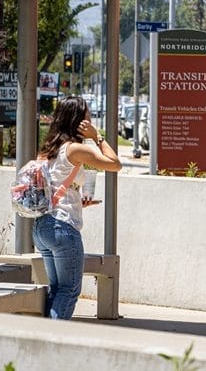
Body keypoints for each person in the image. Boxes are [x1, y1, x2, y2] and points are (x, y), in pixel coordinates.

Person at [32, 96, 122, 319]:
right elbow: (115, 164)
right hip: (63, 228)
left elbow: (52, 188)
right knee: (69, 290)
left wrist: (78, 201)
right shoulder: (75, 149)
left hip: (43, 226)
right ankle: (50, 344)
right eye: (87, 115)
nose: (90, 118)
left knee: (57, 289)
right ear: (79, 119)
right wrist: (96, 136)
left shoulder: (48, 149)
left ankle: (41, 340)